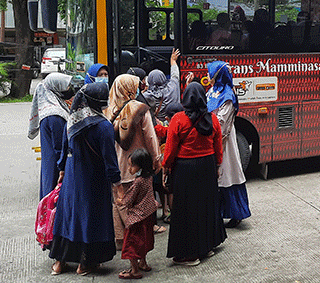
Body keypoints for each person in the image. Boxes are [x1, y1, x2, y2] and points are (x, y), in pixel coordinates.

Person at [49, 83, 121, 276]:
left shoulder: (72, 121)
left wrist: (62, 172)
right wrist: (117, 184)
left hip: (72, 179)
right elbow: (110, 160)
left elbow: (64, 151)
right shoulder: (103, 126)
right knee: (91, 218)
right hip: (94, 181)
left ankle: (60, 262)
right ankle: (85, 264)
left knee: (68, 217)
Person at [163, 82, 226, 265]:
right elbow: (218, 147)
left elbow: (171, 149)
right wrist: (217, 166)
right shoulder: (212, 119)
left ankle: (190, 255)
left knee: (186, 211)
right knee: (206, 206)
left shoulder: (178, 119)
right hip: (207, 166)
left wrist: (166, 167)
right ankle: (206, 247)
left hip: (185, 169)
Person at [106, 74, 162, 249]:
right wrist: (156, 158)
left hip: (117, 165)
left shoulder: (108, 109)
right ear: (130, 88)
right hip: (138, 164)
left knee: (118, 202)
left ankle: (120, 238)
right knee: (140, 204)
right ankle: (136, 239)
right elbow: (150, 136)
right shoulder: (139, 109)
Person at [206, 61, 251, 229]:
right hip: (213, 139)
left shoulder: (228, 96)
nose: (208, 77)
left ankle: (236, 214)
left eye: (211, 74)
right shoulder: (212, 91)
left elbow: (222, 124)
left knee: (229, 175)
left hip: (224, 141)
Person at [28, 73, 76, 199]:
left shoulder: (48, 109)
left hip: (50, 163)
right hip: (55, 166)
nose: (68, 89)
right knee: (53, 198)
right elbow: (59, 147)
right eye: (65, 86)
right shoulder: (55, 115)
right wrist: (63, 167)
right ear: (56, 88)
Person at [115, 148, 158, 280]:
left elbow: (129, 199)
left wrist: (120, 200)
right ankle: (143, 263)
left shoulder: (138, 182)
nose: (129, 169)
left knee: (131, 244)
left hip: (136, 218)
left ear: (141, 166)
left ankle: (134, 270)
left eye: (132, 165)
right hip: (147, 215)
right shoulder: (149, 178)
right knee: (143, 241)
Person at [143, 49, 181, 123]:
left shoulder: (146, 96)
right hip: (172, 123)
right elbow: (175, 75)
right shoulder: (173, 87)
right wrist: (173, 60)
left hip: (158, 126)